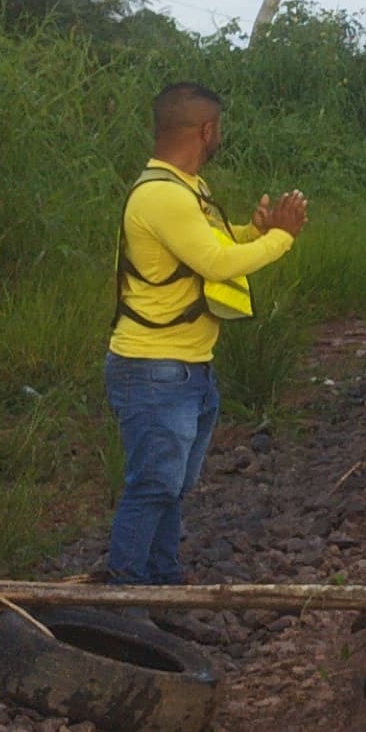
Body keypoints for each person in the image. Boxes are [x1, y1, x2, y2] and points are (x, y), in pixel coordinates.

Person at [107, 82, 305, 583]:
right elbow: (215, 263)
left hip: (186, 367)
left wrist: (252, 234)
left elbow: (208, 245)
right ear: (206, 130)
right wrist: (281, 238)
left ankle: (162, 590)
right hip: (155, 370)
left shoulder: (185, 188)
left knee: (169, 489)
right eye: (220, 130)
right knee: (152, 487)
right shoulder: (162, 196)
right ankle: (125, 599)